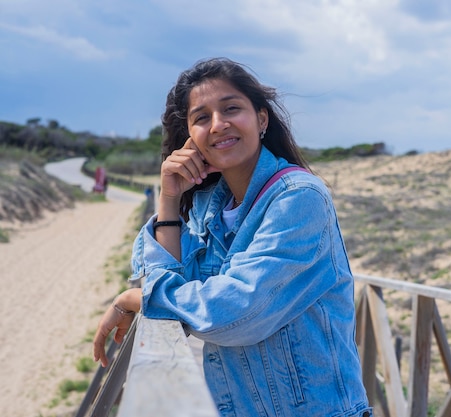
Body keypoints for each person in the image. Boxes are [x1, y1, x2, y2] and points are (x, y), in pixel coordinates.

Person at [93, 57, 371, 416]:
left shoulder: (299, 197)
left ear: (261, 118)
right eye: (202, 117)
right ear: (190, 137)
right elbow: (169, 283)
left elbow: (236, 312)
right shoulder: (211, 206)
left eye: (231, 108)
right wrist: (169, 198)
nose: (219, 125)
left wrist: (139, 298)